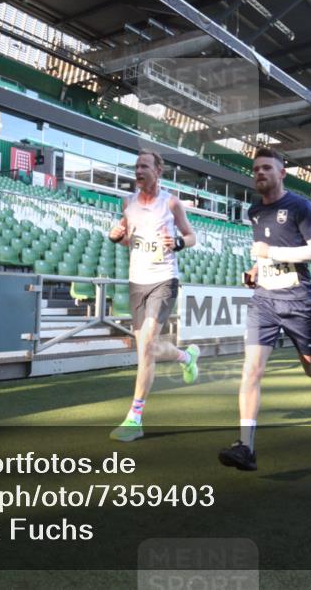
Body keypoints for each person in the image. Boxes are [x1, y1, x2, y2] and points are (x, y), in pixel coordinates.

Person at [218, 148, 311, 472]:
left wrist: (271, 253)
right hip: (264, 300)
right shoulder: (253, 211)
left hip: (297, 300)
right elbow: (263, 255)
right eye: (256, 169)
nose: (260, 173)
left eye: (266, 168)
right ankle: (245, 447)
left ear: (281, 173)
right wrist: (255, 269)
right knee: (251, 370)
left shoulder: (299, 206)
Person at [108, 149, 199, 442]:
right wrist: (116, 236)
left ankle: (134, 418)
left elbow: (192, 236)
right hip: (137, 281)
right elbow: (127, 239)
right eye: (136, 166)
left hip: (164, 279)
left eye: (144, 166)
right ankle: (186, 356)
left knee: (147, 345)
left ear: (158, 171)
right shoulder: (128, 203)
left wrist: (179, 243)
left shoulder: (171, 204)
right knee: (147, 349)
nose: (138, 170)